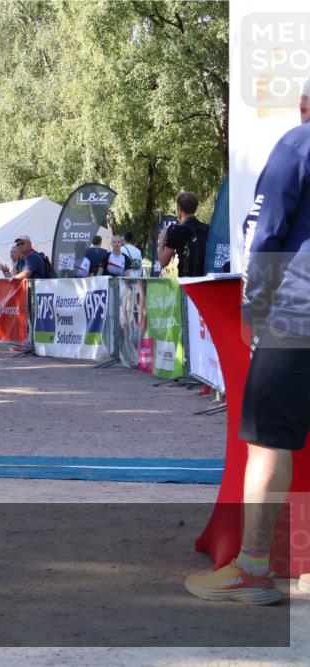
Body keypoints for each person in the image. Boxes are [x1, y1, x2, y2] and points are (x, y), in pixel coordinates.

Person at [185, 82, 310, 604]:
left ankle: (253, 569)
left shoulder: (297, 145)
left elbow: (265, 234)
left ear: (305, 106)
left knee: (267, 443)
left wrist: (253, 309)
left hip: (296, 317)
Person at [159, 191, 209, 277]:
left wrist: (162, 239)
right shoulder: (206, 228)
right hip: (204, 280)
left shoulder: (177, 231)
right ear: (195, 208)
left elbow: (163, 262)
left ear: (179, 209)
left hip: (186, 281)